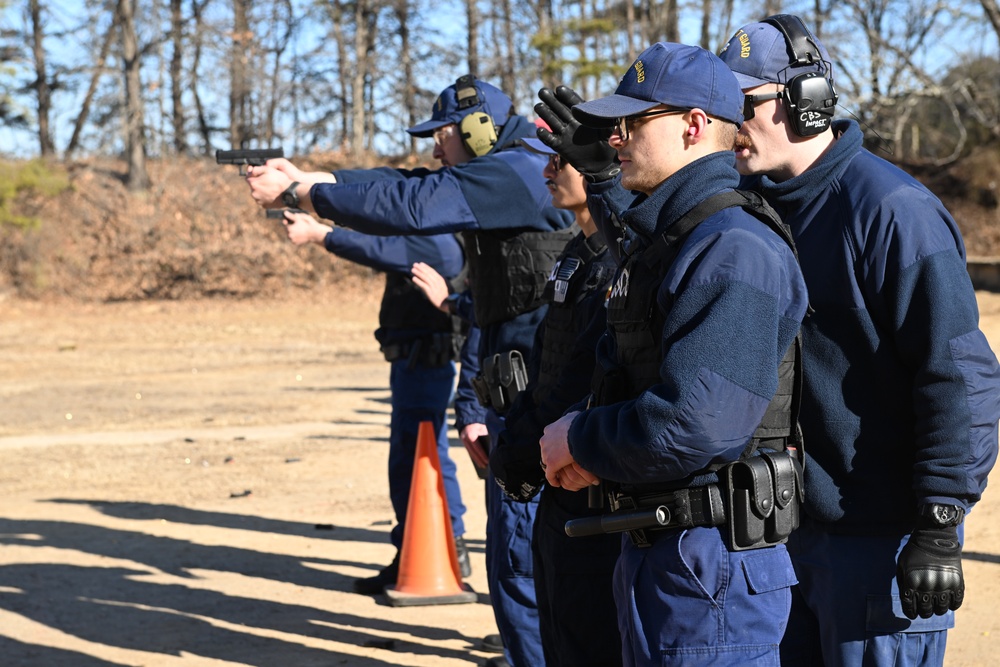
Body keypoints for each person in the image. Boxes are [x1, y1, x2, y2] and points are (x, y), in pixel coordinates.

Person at [244, 75, 575, 667]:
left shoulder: (515, 171)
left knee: (524, 560)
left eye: (442, 135)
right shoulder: (512, 165)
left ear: (476, 130)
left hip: (536, 398)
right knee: (520, 560)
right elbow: (409, 185)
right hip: (517, 392)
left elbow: (415, 205)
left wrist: (304, 197)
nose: (435, 148)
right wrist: (317, 180)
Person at [716, 14, 1000, 666]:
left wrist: (937, 523)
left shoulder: (890, 210)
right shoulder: (753, 205)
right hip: (789, 530)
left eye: (746, 105)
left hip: (881, 537)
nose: (732, 125)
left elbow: (958, 374)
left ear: (807, 104)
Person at [534, 42, 810, 666]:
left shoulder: (731, 246)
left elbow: (697, 421)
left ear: (692, 125)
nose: (616, 137)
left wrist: (581, 440)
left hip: (709, 568)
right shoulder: (675, 240)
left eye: (634, 121)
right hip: (662, 550)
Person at [273, 210, 471, 594]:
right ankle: (426, 544)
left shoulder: (433, 238)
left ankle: (446, 544)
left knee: (419, 457)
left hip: (425, 361)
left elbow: (377, 247)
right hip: (417, 360)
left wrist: (320, 234)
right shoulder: (434, 230)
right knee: (416, 455)